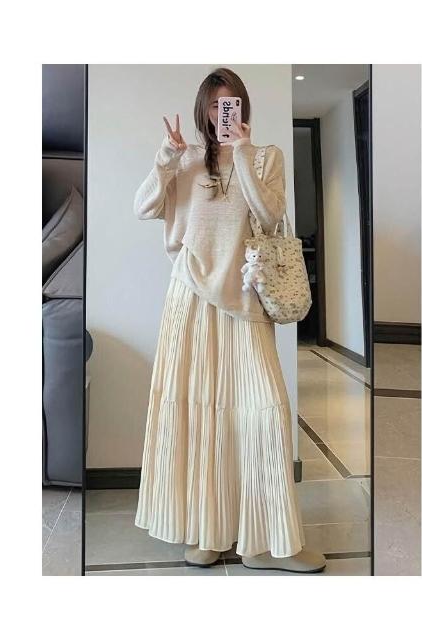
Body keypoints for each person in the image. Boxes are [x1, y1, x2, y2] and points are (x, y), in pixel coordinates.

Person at [132, 67, 326, 573]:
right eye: (216, 105)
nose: (224, 113)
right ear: (203, 110)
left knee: (265, 412)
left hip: (244, 300)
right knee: (201, 414)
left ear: (242, 108)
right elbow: (143, 207)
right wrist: (166, 157)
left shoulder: (265, 157)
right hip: (190, 300)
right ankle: (208, 531)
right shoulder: (186, 160)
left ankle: (265, 545)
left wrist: (241, 152)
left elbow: (269, 217)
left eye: (231, 103)